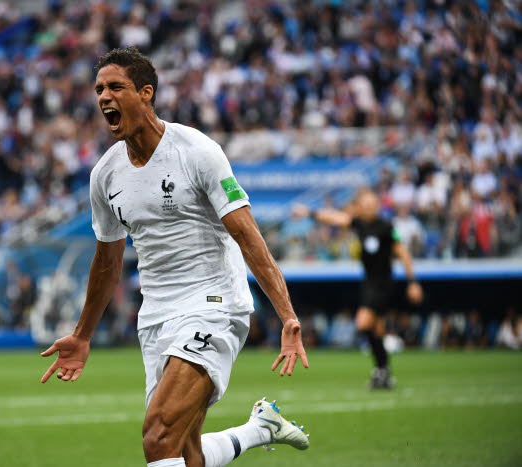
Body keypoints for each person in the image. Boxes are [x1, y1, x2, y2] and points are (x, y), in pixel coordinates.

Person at [40, 47, 310, 467]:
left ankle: (259, 427)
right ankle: (260, 428)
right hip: (156, 316)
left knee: (158, 435)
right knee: (187, 454)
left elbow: (247, 235)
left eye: (116, 87)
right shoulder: (105, 176)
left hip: (213, 303)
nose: (103, 97)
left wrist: (287, 315)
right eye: (98, 89)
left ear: (146, 93)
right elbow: (107, 263)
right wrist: (82, 335)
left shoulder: (197, 152)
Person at [293, 190, 423, 389]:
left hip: (383, 284)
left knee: (363, 323)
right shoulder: (360, 224)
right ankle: (383, 372)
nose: (370, 207)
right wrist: (310, 213)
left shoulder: (386, 227)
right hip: (368, 283)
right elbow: (336, 218)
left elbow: (403, 252)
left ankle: (382, 371)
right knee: (377, 330)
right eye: (366, 204)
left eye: (373, 203)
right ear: (360, 207)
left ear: (377, 206)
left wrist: (412, 282)